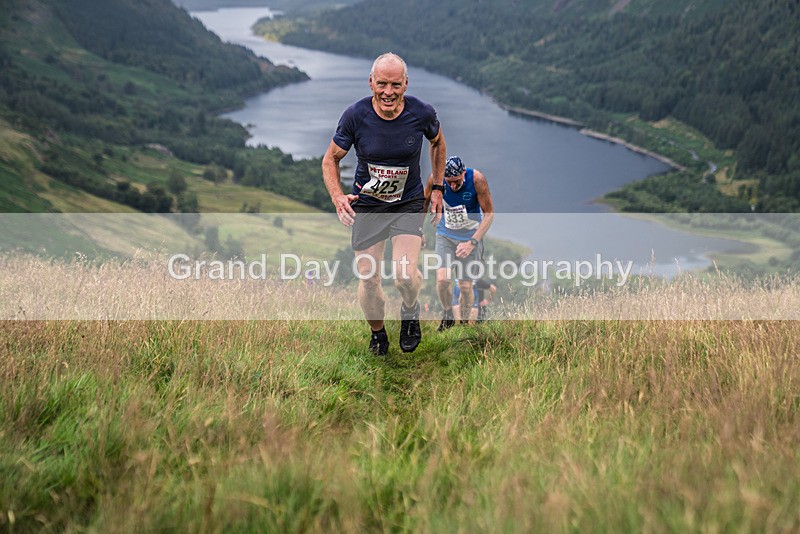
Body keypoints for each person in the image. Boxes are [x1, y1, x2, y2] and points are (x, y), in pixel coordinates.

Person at [322, 52, 447, 356]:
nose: (388, 92)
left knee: (404, 275)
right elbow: (330, 159)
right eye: (382, 84)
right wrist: (337, 196)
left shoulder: (421, 113)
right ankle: (378, 334)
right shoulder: (355, 116)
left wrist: (437, 188)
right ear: (371, 83)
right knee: (368, 278)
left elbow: (438, 142)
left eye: (395, 84)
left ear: (406, 84)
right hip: (368, 205)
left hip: (408, 203)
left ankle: (410, 309)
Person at [423, 156, 494, 330]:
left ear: (463, 173)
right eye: (449, 182)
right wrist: (419, 230)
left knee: (465, 286)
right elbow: (423, 203)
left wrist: (472, 242)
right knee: (443, 280)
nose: (453, 186)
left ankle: (463, 323)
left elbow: (489, 214)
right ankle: (448, 314)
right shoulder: (435, 179)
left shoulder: (477, 180)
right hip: (445, 234)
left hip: (470, 237)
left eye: (457, 181)